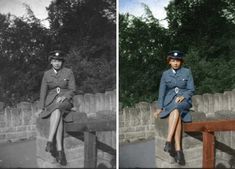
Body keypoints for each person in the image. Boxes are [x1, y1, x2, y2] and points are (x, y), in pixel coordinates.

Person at [35, 50, 76, 166]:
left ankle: (49, 141)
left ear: (62, 62)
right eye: (54, 61)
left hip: (65, 101)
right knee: (57, 112)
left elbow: (73, 89)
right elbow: (43, 91)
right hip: (51, 102)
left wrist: (64, 96)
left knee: (58, 108)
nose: (57, 63)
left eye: (59, 61)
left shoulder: (68, 72)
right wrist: (41, 107)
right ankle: (59, 150)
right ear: (51, 62)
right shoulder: (47, 74)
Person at [156, 50, 195, 165]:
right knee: (175, 111)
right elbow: (162, 91)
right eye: (173, 61)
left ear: (181, 62)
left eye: (177, 60)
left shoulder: (187, 72)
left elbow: (191, 89)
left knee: (177, 107)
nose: (175, 63)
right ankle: (178, 150)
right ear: (169, 62)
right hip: (170, 101)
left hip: (184, 101)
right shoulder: (165, 74)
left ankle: (168, 140)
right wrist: (160, 107)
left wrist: (183, 96)